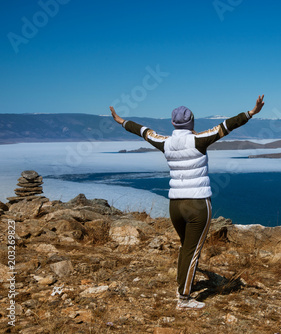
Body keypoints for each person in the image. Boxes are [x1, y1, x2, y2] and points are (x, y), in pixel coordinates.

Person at [110, 95, 265, 309]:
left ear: (173, 123)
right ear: (191, 121)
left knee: (186, 247)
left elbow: (143, 131)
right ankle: (184, 298)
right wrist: (251, 113)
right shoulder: (199, 140)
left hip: (175, 206)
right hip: (198, 204)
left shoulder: (164, 142)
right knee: (192, 251)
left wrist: (121, 121)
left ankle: (181, 285)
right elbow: (227, 125)